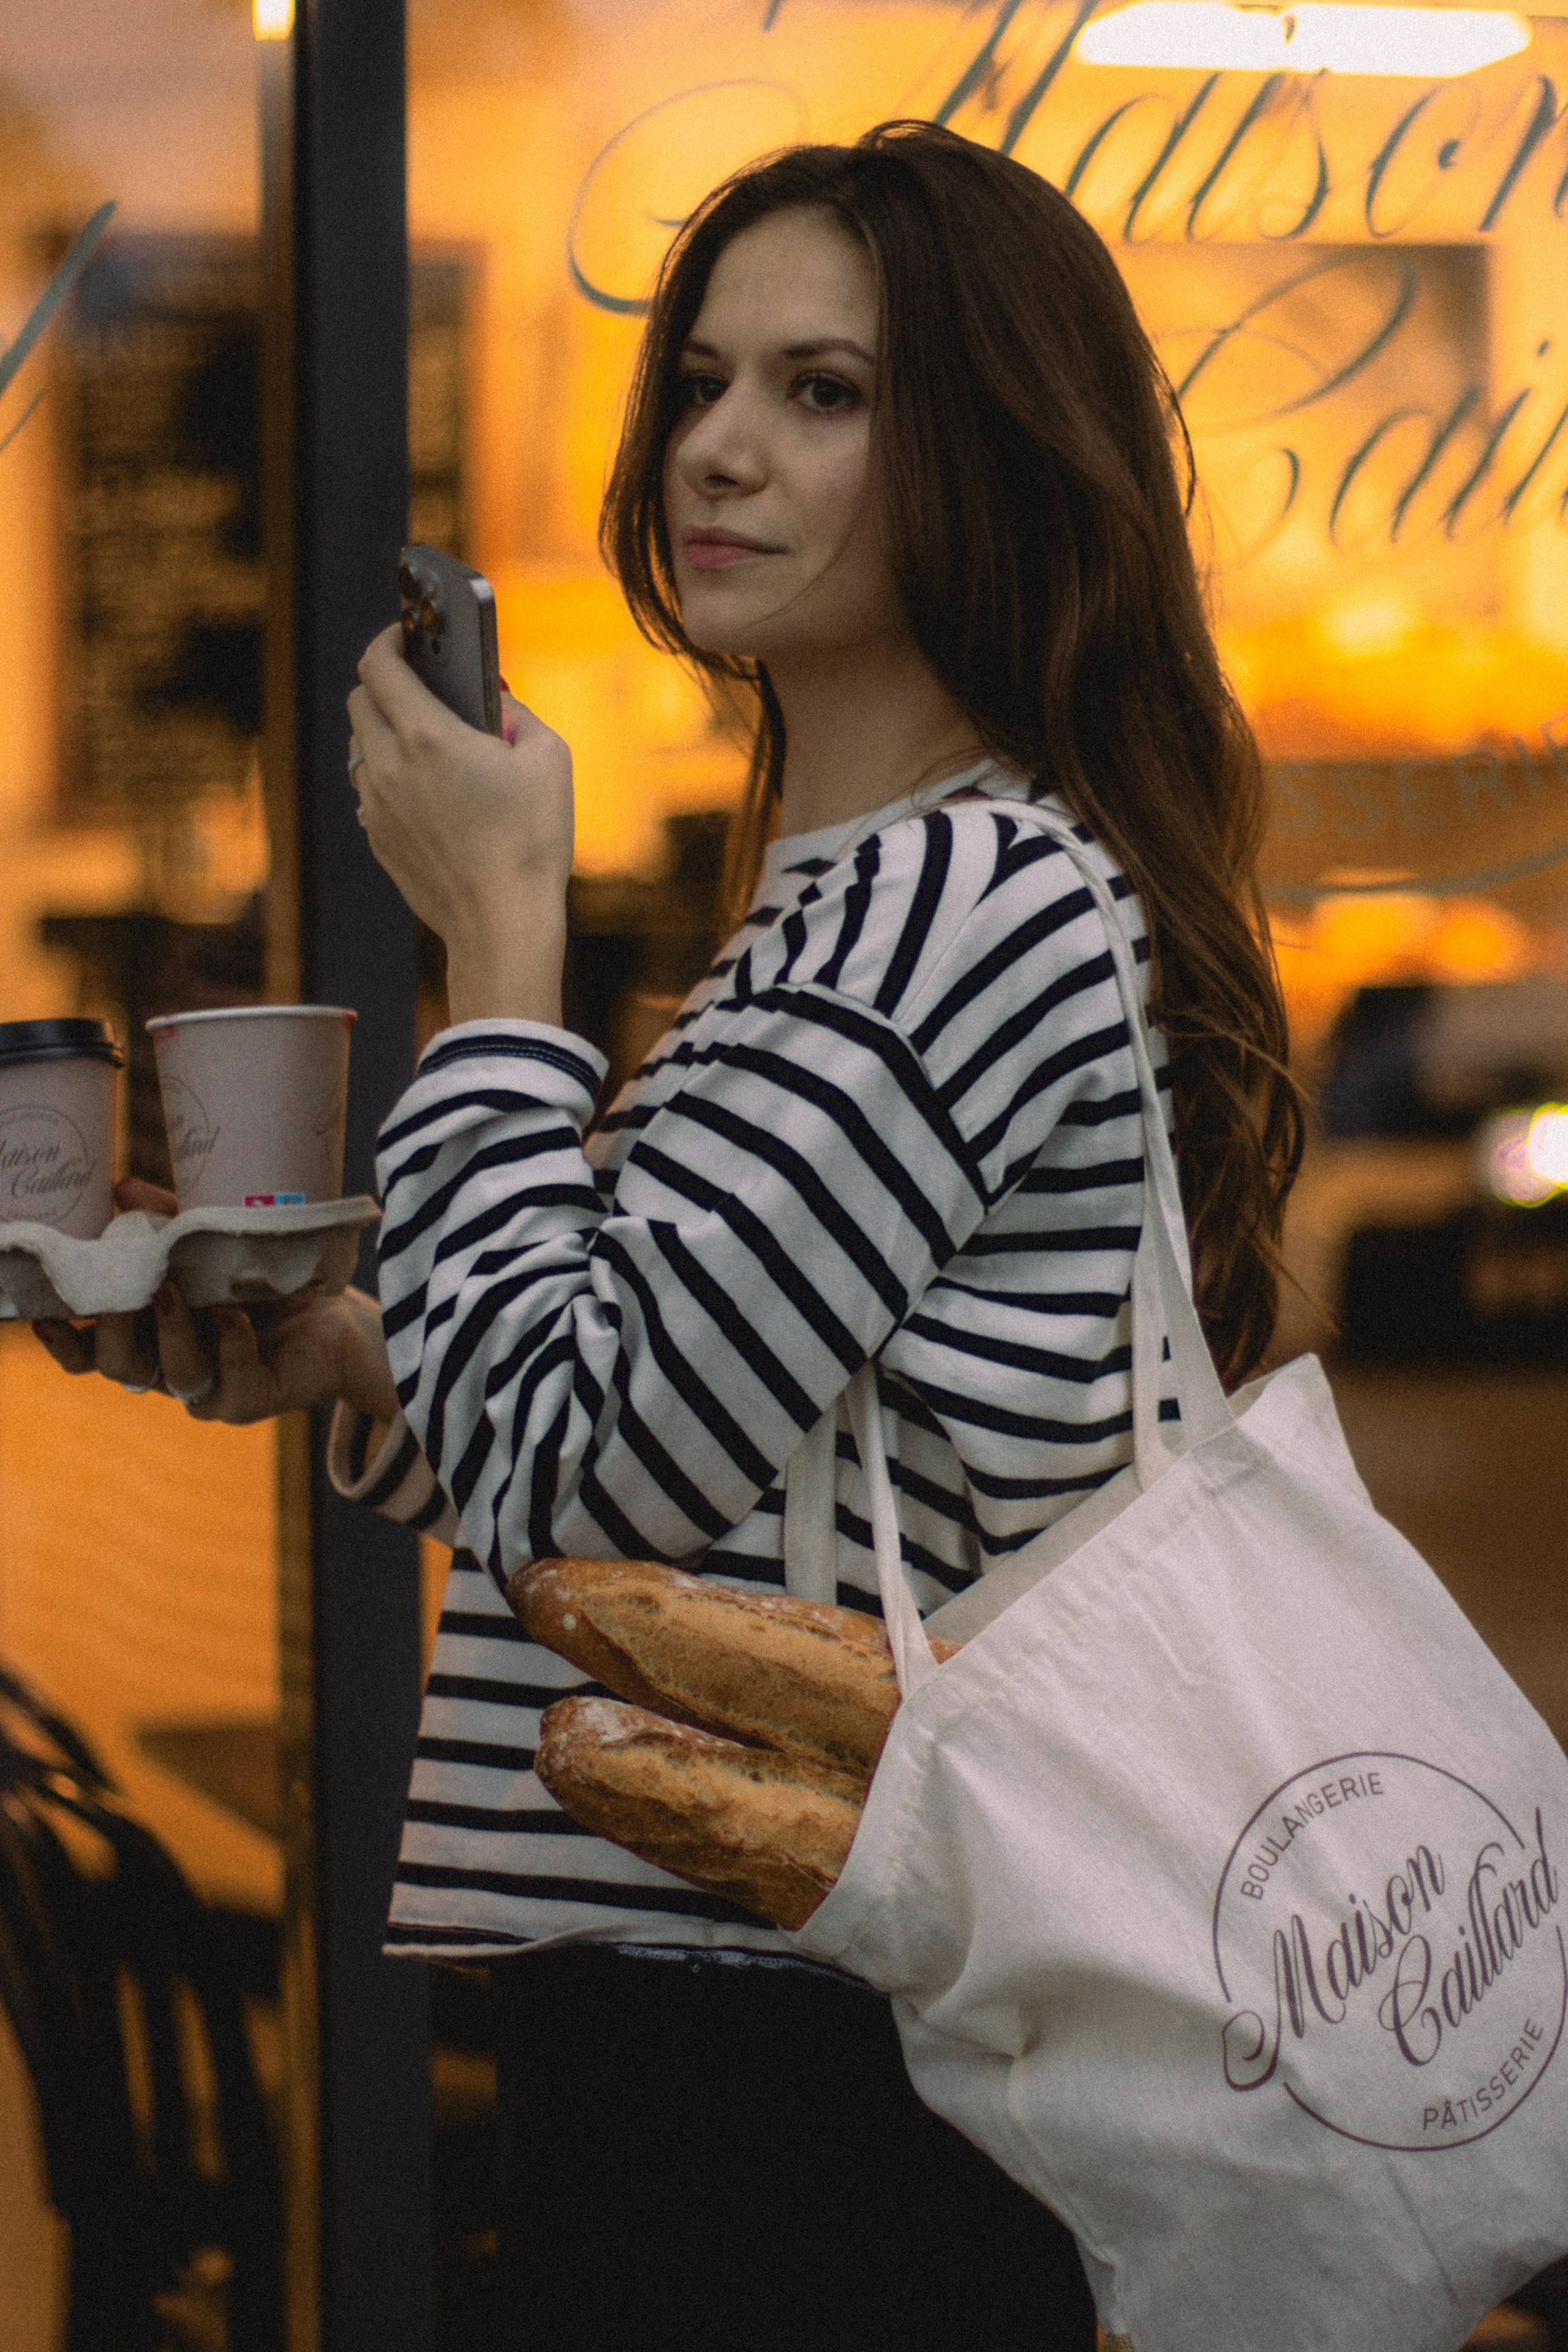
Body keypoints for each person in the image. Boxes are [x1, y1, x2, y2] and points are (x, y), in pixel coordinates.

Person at [37, 122, 1302, 2351]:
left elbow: (589, 1468)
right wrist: (362, 1365)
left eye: (825, 393)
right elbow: (697, 1470)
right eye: (705, 380)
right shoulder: (856, 895)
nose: (718, 448)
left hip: (813, 2059)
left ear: (995, 457)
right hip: (737, 2012)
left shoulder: (966, 903)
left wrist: (501, 935)